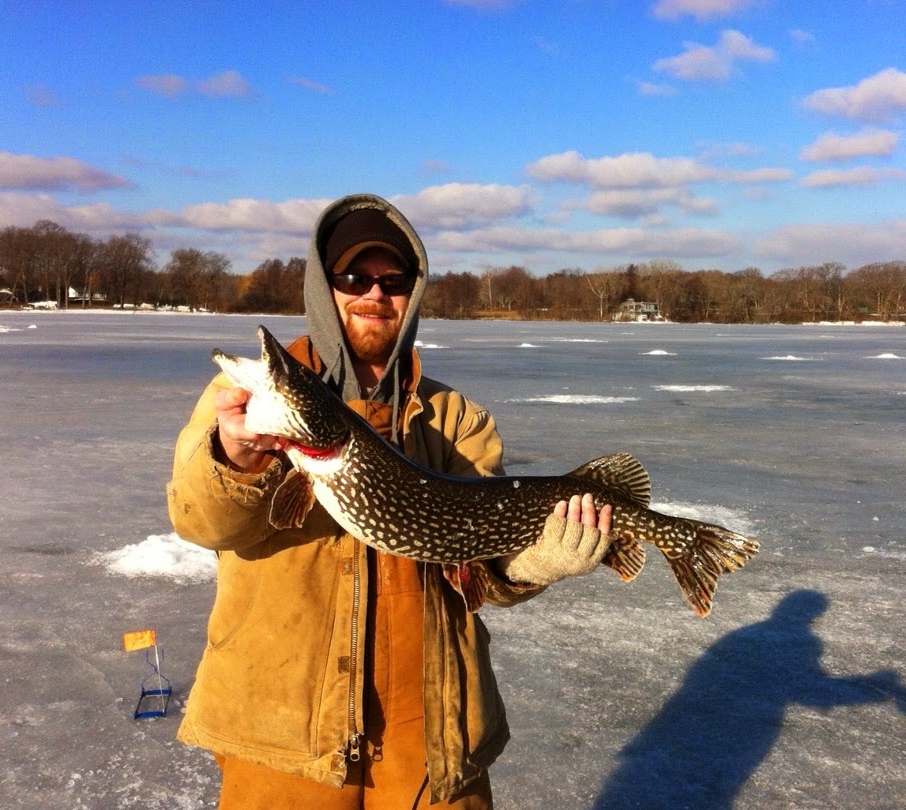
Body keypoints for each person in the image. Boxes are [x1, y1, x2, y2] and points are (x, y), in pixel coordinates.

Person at [167, 193, 612, 809]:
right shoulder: (239, 406)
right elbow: (200, 520)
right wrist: (237, 456)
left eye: (393, 281)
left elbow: (480, 574)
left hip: (431, 733)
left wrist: (536, 562)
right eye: (354, 277)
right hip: (282, 727)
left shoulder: (456, 419)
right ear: (325, 289)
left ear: (414, 295)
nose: (374, 294)